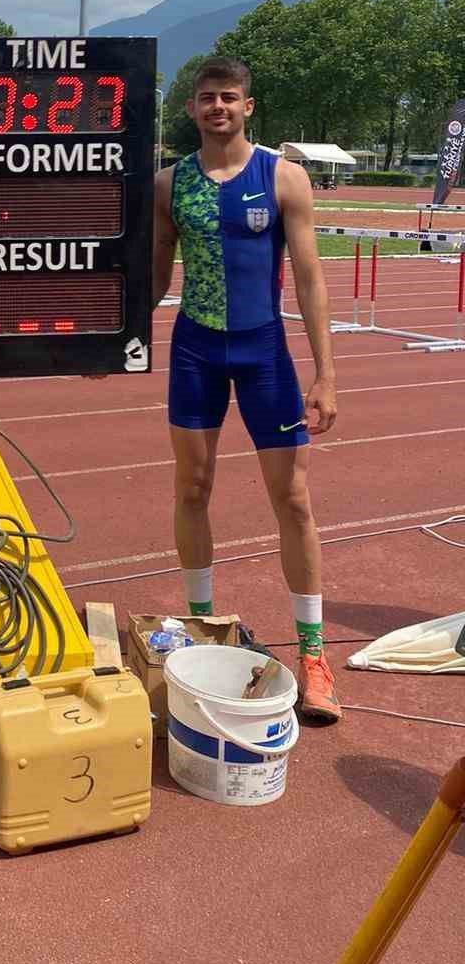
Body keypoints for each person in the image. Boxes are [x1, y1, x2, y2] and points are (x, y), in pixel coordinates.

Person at [153, 57, 341, 722]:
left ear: (248, 106)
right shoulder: (170, 184)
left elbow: (312, 277)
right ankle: (202, 626)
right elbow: (152, 279)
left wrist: (326, 372)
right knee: (192, 488)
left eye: (228, 98)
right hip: (196, 349)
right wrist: (105, 341)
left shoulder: (283, 176)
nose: (217, 108)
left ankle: (314, 655)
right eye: (206, 99)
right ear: (192, 109)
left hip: (264, 352)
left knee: (292, 499)